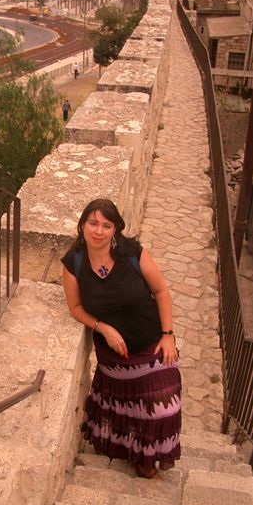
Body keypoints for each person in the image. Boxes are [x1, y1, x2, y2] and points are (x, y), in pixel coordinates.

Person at [61, 198, 181, 479]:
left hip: (152, 342)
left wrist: (168, 336)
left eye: (106, 225)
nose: (98, 231)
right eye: (93, 223)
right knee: (129, 410)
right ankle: (133, 453)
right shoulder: (74, 263)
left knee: (161, 407)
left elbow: (162, 292)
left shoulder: (133, 254)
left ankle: (148, 460)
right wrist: (102, 327)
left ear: (115, 229)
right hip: (115, 355)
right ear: (82, 225)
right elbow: (76, 308)